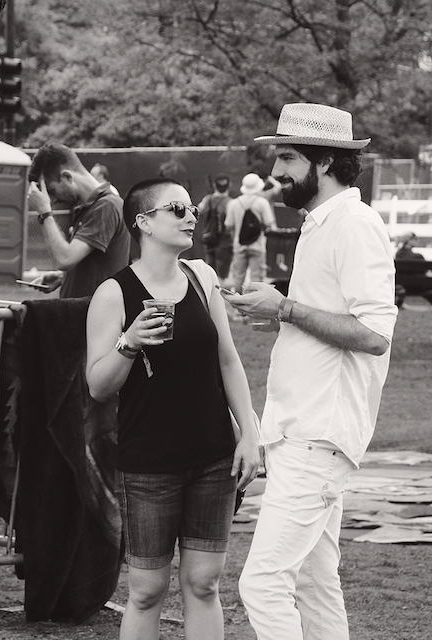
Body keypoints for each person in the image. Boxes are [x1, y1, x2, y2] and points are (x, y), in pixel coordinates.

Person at [222, 103, 398, 640]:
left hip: (318, 434)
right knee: (315, 586)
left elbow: (373, 334)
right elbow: (325, 319)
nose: (277, 171)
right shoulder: (321, 223)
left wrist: (287, 310)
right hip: (300, 429)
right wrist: (275, 315)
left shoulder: (354, 224)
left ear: (325, 162)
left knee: (263, 583)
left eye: (289, 156)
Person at [84, 178, 261, 640]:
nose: (190, 217)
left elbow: (228, 359)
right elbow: (98, 387)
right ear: (143, 222)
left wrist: (249, 433)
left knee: (203, 584)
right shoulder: (113, 293)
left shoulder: (202, 277)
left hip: (213, 457)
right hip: (149, 464)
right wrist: (129, 343)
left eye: (192, 210)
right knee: (145, 590)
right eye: (177, 209)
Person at [26, 144, 130, 298]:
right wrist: (64, 277)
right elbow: (97, 265)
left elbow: (65, 258)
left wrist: (44, 212)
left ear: (67, 177)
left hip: (95, 319)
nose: (52, 201)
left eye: (51, 191)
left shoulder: (106, 206)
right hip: (78, 315)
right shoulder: (87, 208)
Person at [225, 173, 278, 291]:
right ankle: (254, 302)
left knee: (238, 276)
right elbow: (269, 222)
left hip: (239, 245)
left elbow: (229, 225)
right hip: (258, 245)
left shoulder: (234, 203)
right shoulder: (262, 202)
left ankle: (237, 302)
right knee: (256, 277)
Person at [196, 174, 234, 282]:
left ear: (214, 185)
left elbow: (200, 209)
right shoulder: (230, 202)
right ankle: (219, 295)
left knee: (209, 270)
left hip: (209, 238)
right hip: (224, 241)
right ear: (229, 186)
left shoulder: (207, 199)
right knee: (221, 272)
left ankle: (209, 292)